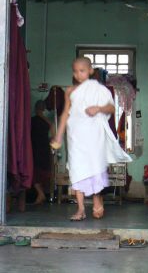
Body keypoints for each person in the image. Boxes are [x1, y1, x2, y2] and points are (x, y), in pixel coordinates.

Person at [51, 57, 132, 221]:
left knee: (94, 167)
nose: (78, 74)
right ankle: (80, 209)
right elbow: (65, 113)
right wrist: (59, 135)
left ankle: (97, 199)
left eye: (82, 70)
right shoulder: (70, 91)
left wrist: (98, 108)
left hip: (94, 136)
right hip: (75, 136)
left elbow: (111, 107)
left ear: (90, 71)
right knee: (76, 169)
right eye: (75, 71)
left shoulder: (100, 90)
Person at [31, 100, 55, 204]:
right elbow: (53, 135)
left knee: (34, 172)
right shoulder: (48, 122)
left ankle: (40, 194)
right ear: (44, 109)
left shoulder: (31, 120)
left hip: (34, 148)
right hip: (45, 148)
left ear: (36, 109)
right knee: (43, 172)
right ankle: (41, 194)